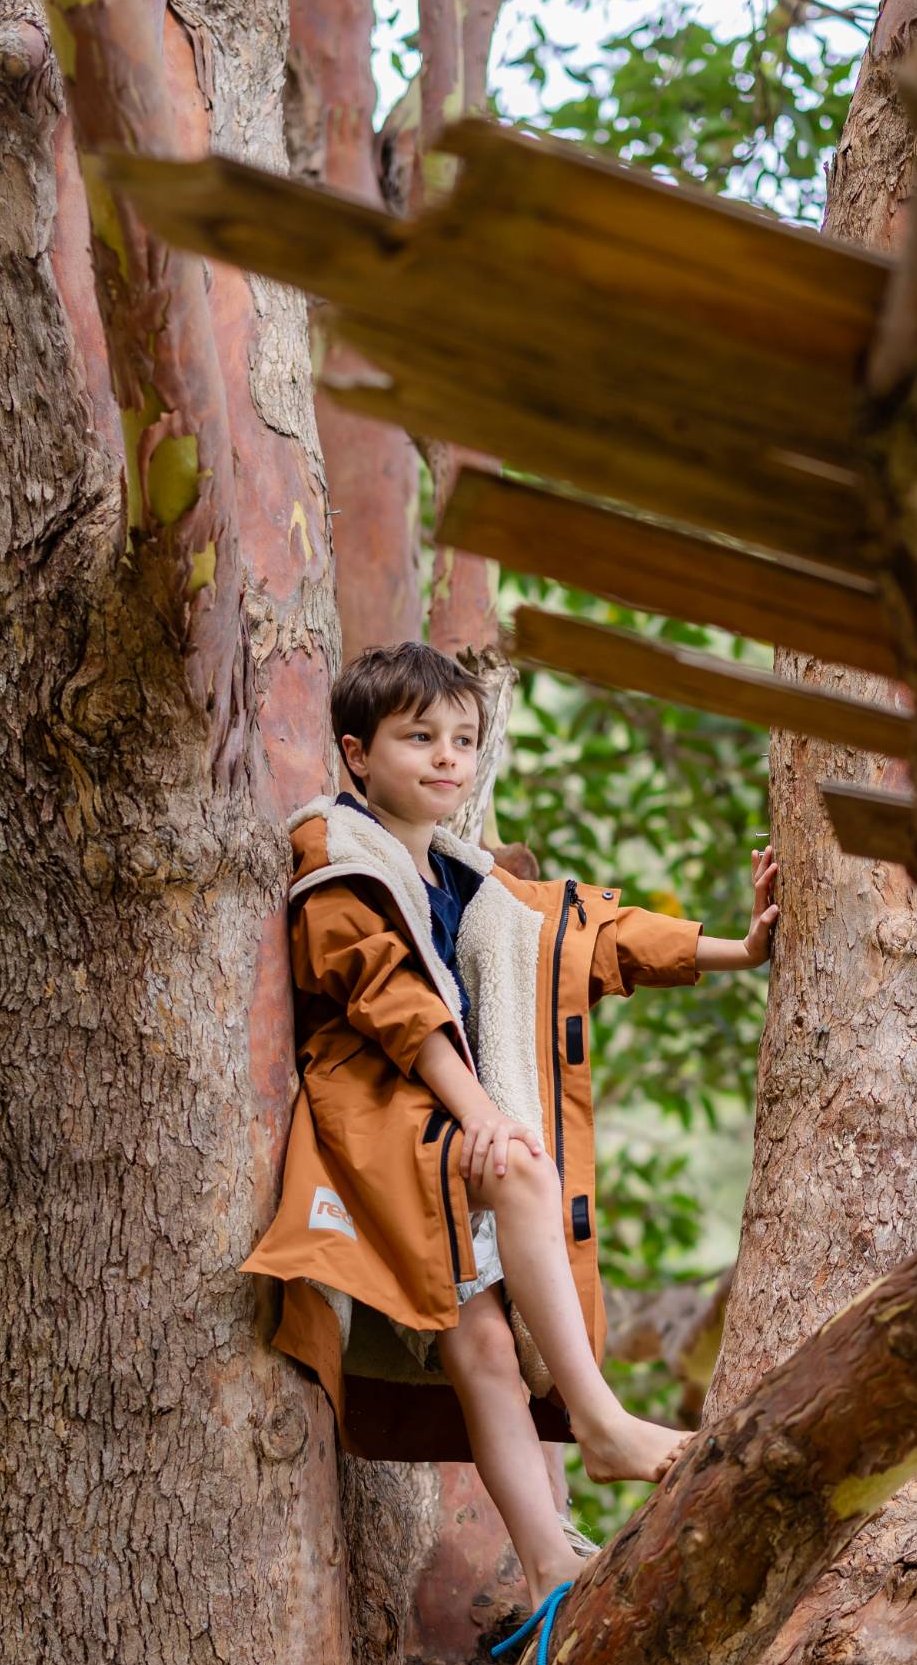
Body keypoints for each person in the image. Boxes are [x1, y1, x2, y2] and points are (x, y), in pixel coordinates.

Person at [244, 641, 778, 1607]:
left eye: (463, 739)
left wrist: (738, 948)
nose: (447, 757)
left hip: (440, 1125)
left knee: (484, 1348)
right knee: (524, 1169)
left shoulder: (469, 880)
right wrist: (485, 1115)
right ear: (358, 753)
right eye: (419, 738)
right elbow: (395, 1005)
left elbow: (594, 936)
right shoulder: (337, 858)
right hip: (378, 1117)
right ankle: (602, 1423)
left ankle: (548, 1568)